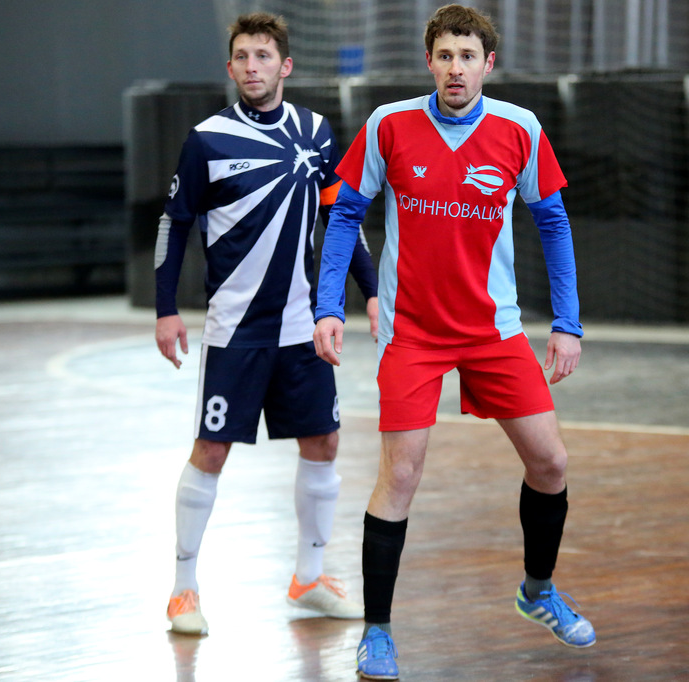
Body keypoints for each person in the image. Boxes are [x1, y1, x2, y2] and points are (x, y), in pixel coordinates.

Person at [312, 4, 595, 678]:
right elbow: (345, 213)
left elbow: (553, 222)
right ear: (430, 62)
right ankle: (377, 632)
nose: (455, 69)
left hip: (493, 330)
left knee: (550, 463)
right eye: (445, 56)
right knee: (400, 476)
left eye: (468, 57)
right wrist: (329, 306)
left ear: (488, 64)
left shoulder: (520, 129)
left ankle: (538, 591)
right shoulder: (389, 125)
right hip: (411, 332)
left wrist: (567, 322)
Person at [155, 12, 379, 636]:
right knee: (211, 450)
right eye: (242, 57)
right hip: (236, 331)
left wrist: (372, 291)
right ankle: (182, 590)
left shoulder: (315, 132)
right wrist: (165, 309)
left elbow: (340, 218)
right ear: (229, 67)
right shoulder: (207, 140)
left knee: (324, 443)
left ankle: (309, 578)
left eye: (263, 56)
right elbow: (174, 224)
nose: (252, 66)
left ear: (285, 66)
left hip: (302, 328)